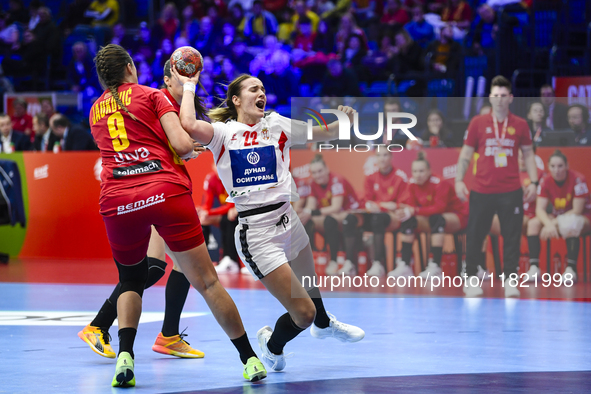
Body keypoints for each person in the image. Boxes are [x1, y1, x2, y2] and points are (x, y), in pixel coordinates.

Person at [88, 44, 266, 387]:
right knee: (208, 282)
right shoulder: (152, 95)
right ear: (129, 67)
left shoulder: (96, 110)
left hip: (117, 201)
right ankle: (250, 359)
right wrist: (186, 143)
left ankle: (125, 355)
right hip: (163, 191)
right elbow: (182, 147)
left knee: (131, 279)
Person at [174, 69, 365, 374]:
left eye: (262, 89)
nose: (261, 93)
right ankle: (272, 345)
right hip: (258, 233)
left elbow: (323, 133)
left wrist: (344, 121)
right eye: (253, 89)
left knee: (309, 283)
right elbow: (187, 124)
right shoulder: (222, 133)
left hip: (288, 218)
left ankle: (324, 323)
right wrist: (188, 86)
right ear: (236, 99)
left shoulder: (277, 125)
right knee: (302, 312)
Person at [79, 60, 208, 361]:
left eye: (190, 78)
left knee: (180, 265)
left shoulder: (179, 109)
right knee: (152, 268)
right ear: (167, 80)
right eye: (180, 77)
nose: (187, 83)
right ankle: (98, 326)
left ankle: (169, 335)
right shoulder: (154, 100)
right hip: (148, 192)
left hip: (161, 190)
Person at [455, 75, 539, 298]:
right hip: (481, 189)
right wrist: (458, 180)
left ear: (511, 98)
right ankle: (471, 278)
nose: (500, 99)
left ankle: (510, 279)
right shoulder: (477, 123)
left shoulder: (520, 124)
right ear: (490, 98)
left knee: (511, 236)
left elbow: (529, 155)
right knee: (475, 235)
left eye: (504, 96)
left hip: (511, 189)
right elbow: (465, 154)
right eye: (495, 95)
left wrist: (535, 182)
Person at [392, 151, 469, 279]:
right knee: (408, 220)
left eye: (421, 171)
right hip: (431, 218)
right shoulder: (412, 184)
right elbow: (410, 206)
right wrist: (406, 211)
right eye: (415, 171)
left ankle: (435, 267)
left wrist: (414, 210)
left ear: (429, 171)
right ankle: (405, 265)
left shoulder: (439, 183)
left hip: (457, 216)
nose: (418, 175)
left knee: (437, 219)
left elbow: (439, 208)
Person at [525, 150, 591, 282]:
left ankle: (571, 269)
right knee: (533, 224)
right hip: (556, 217)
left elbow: (577, 210)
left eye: (560, 166)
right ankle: (534, 268)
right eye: (553, 166)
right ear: (548, 167)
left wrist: (553, 223)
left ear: (567, 166)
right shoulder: (545, 180)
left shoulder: (578, 179)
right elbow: (540, 209)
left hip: (582, 218)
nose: (557, 170)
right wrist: (549, 224)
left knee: (571, 223)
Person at [303, 154, 362, 276]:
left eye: (320, 171)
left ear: (327, 169)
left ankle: (345, 263)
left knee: (333, 220)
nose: (317, 175)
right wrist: (304, 214)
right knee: (306, 221)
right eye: (314, 172)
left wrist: (311, 212)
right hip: (334, 215)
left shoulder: (336, 180)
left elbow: (336, 207)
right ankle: (312, 260)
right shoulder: (313, 184)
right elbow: (310, 206)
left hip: (352, 212)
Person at [363, 149, 408, 277]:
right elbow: (367, 201)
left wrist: (380, 206)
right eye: (379, 155)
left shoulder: (400, 176)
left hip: (393, 216)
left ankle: (378, 263)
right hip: (374, 214)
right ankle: (348, 263)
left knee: (378, 219)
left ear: (391, 157)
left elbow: (401, 204)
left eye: (385, 155)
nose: (382, 159)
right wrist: (384, 206)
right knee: (351, 220)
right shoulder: (370, 176)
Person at [199, 166, 241, 274]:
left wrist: (209, 213)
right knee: (202, 221)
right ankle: (203, 260)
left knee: (230, 217)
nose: (219, 169)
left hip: (236, 210)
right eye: (216, 166)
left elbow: (231, 205)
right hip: (224, 212)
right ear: (212, 165)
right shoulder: (211, 179)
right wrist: (205, 212)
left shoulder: (233, 177)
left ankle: (231, 260)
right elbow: (208, 200)